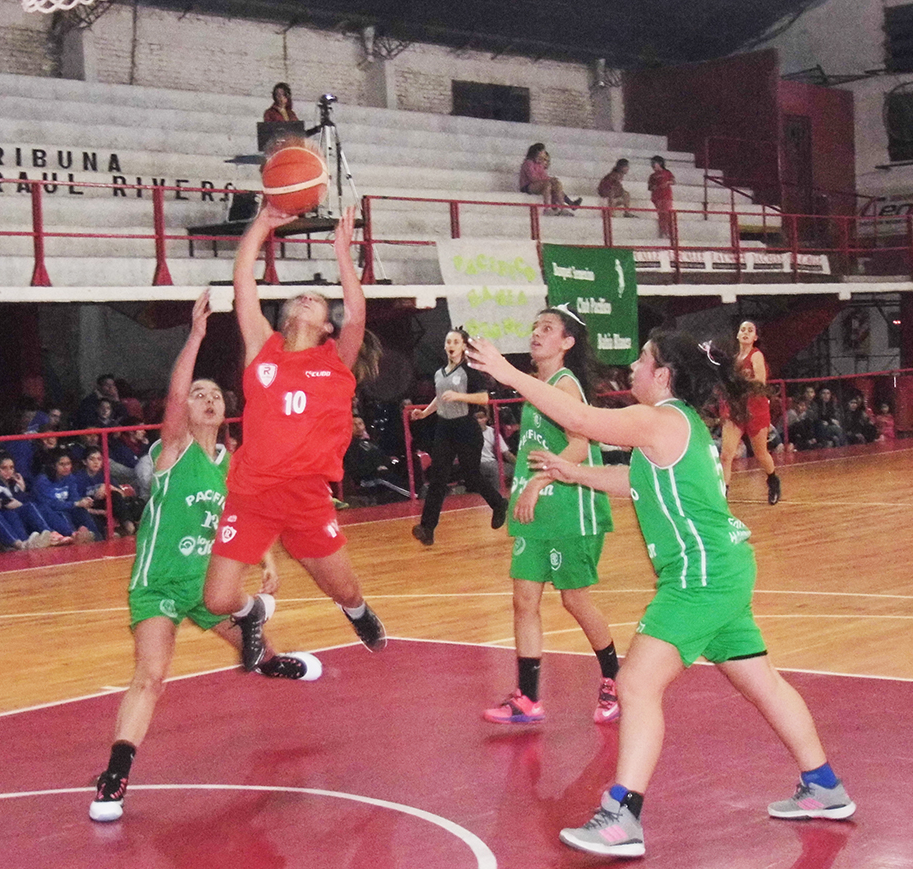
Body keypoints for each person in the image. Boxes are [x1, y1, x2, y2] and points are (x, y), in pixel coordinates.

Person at [467, 328, 855, 858]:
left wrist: (505, 372)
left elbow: (581, 419)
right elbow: (636, 482)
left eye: (642, 360)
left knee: (635, 686)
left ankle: (622, 816)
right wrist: (572, 471)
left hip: (699, 576)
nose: (632, 367)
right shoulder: (677, 427)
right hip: (723, 570)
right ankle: (824, 785)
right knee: (761, 681)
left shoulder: (660, 418)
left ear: (664, 375)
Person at [89, 292, 320, 823]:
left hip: (206, 584)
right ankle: (115, 778)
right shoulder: (173, 450)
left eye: (215, 394)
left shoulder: (231, 464)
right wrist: (194, 337)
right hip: (158, 585)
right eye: (199, 394)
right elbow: (173, 402)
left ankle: (269, 654)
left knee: (258, 650)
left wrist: (267, 558)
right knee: (150, 675)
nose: (208, 399)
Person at [201, 204, 387, 671]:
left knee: (343, 588)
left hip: (307, 496)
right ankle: (253, 614)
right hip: (252, 494)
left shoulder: (337, 359)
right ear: (284, 316)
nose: (306, 298)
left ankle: (357, 611)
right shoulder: (261, 347)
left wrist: (343, 253)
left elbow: (358, 311)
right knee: (218, 598)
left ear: (328, 324)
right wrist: (261, 223)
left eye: (317, 299)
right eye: (300, 296)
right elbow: (243, 282)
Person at [482, 305, 621, 727]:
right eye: (534, 327)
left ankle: (616, 680)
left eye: (547, 328)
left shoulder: (565, 384)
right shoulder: (540, 384)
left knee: (574, 599)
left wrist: (540, 482)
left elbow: (581, 444)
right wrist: (528, 487)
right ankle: (528, 697)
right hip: (535, 510)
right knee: (524, 601)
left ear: (566, 342)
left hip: (570, 507)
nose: (536, 334)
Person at [410, 326, 508, 547]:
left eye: (455, 342)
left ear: (464, 346)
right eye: (448, 342)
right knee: (438, 479)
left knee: (472, 476)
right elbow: (440, 398)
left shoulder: (470, 372)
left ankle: (499, 504)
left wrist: (458, 395)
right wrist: (425, 412)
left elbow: (483, 398)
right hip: (444, 428)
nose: (451, 346)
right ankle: (427, 528)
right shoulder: (439, 372)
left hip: (466, 428)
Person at [719, 321, 781, 504]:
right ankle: (723, 494)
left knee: (761, 453)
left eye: (750, 330)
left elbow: (760, 382)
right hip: (736, 409)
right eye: (742, 329)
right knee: (726, 454)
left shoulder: (756, 356)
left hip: (755, 409)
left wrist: (739, 384)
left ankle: (773, 479)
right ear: (737, 335)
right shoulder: (733, 359)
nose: (745, 332)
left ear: (755, 337)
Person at [0, 452, 66, 546]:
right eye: (4, 468)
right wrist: (24, 499)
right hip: (3, 515)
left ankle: (67, 532)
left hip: (14, 512)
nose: (8, 471)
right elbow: (10, 504)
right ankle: (49, 534)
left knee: (42, 506)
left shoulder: (12, 482)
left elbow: (24, 499)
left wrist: (22, 488)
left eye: (11, 467)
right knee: (29, 507)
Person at [30, 449, 99, 542]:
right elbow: (51, 504)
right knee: (59, 513)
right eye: (62, 464)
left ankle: (96, 537)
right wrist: (75, 504)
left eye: (68, 464)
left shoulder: (69, 477)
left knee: (81, 510)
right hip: (50, 512)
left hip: (66, 508)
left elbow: (74, 498)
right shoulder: (42, 480)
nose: (66, 467)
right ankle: (74, 535)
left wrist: (83, 501)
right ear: (53, 466)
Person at [519, 143, 581, 216]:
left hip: (539, 184)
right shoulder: (528, 163)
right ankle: (547, 209)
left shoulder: (540, 164)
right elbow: (533, 178)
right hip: (528, 186)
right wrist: (548, 180)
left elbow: (544, 176)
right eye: (543, 151)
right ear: (538, 152)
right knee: (547, 185)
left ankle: (562, 208)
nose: (544, 153)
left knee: (556, 184)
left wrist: (551, 179)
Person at [647, 155, 676, 238]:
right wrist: (654, 187)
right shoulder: (652, 176)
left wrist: (667, 183)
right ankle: (664, 231)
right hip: (657, 197)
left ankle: (668, 232)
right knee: (661, 214)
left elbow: (673, 181)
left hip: (666, 196)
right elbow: (649, 187)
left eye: (654, 163)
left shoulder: (667, 173)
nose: (652, 165)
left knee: (667, 214)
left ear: (660, 163)